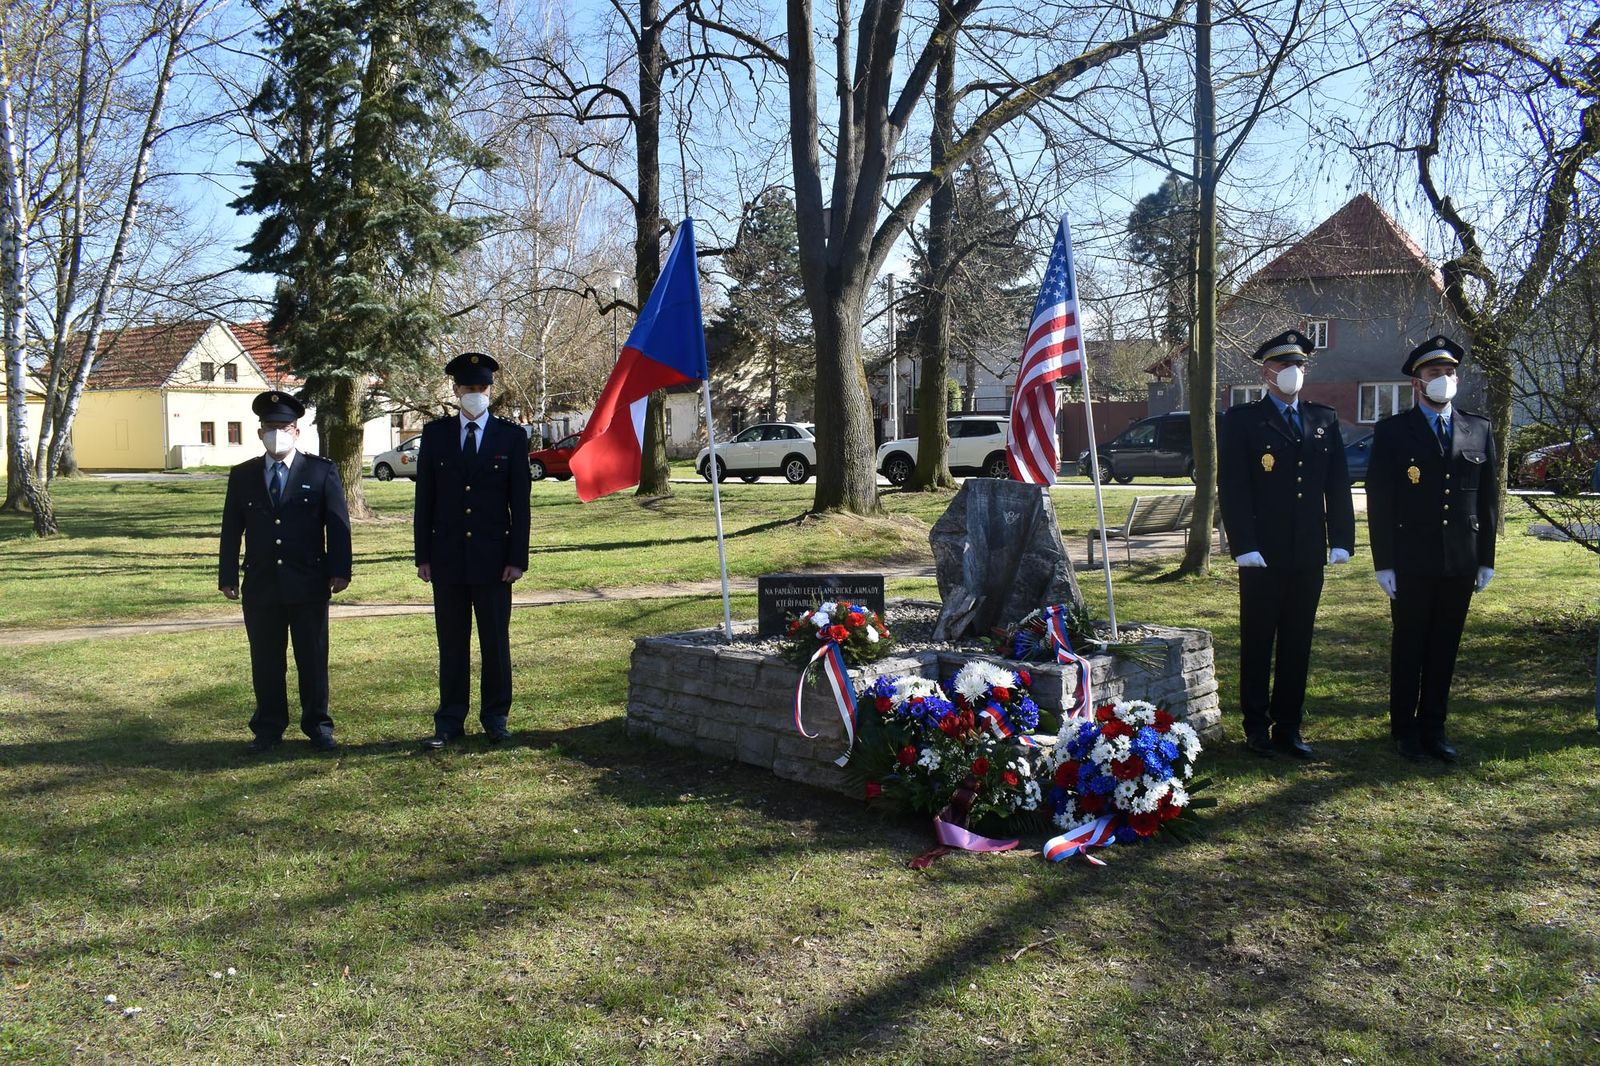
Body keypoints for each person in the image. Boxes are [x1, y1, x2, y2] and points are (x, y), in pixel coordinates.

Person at [1220, 330, 1356, 760]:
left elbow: (1337, 484)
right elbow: (1234, 487)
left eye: (1299, 366)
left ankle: (1289, 726)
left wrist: (1342, 539)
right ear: (1266, 372)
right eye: (1284, 366)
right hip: (1262, 552)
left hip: (1308, 550)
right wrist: (1243, 543)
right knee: (1259, 640)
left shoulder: (1323, 419)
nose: (1293, 373)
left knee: (1298, 640)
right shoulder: (1242, 420)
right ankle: (1256, 726)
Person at [1366, 335, 1498, 763]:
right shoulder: (1393, 432)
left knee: (1445, 647)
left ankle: (1434, 727)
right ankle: (1404, 729)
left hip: (1460, 558)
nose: (1443, 379)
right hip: (1411, 558)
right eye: (1434, 373)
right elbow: (1380, 500)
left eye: (1448, 373)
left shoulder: (1477, 428)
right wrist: (1384, 562)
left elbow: (1487, 499)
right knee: (1409, 645)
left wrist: (1486, 558)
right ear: (1416, 384)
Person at [218, 390, 352, 752]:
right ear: (260, 431)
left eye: (284, 427)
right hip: (261, 583)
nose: (277, 433)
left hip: (308, 581)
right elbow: (232, 528)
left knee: (312, 657)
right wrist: (227, 574)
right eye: (270, 427)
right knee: (265, 659)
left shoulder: (321, 471)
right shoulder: (243, 475)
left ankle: (318, 725)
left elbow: (338, 525)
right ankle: (268, 727)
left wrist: (340, 570)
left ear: (297, 431)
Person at [414, 352, 532, 749]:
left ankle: (496, 717)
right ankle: (449, 720)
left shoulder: (512, 438)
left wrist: (517, 559)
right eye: (468, 388)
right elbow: (424, 500)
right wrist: (423, 556)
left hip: (494, 560)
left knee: (495, 642)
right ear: (455, 390)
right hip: (447, 558)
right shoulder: (435, 436)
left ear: (490, 390)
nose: (475, 394)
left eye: (481, 388)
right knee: (452, 642)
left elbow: (521, 504)